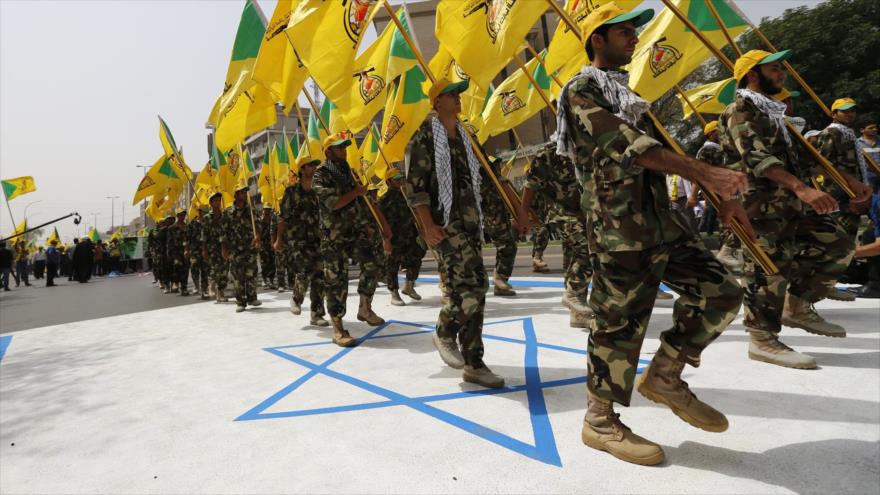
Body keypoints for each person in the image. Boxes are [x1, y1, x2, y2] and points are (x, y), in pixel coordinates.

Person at [558, 4, 750, 465]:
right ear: (597, 40)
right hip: (620, 231)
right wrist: (709, 172)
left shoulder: (628, 96)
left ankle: (665, 375)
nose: (633, 38)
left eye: (633, 32)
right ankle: (599, 422)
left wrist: (721, 196)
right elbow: (631, 148)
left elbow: (662, 151)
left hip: (661, 223)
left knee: (721, 292)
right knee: (618, 326)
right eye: (623, 32)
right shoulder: (582, 89)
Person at [718, 49, 870, 367]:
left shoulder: (774, 113)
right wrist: (802, 189)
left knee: (839, 242)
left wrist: (850, 182)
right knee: (766, 269)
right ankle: (762, 339)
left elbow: (808, 157)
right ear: (753, 75)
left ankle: (797, 305)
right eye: (775, 69)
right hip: (759, 207)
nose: (782, 74)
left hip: (790, 205)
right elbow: (756, 158)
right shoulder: (741, 109)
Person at [405, 78, 513, 389]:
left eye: (458, 94)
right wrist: (427, 227)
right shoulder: (424, 137)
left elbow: (486, 173)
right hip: (444, 225)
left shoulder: (466, 136)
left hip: (469, 223)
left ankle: (474, 363)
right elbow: (415, 189)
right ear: (437, 102)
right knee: (474, 286)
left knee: (468, 292)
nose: (458, 99)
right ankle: (443, 330)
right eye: (451, 94)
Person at [312, 132, 387, 346]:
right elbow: (333, 203)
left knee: (373, 261)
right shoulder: (321, 175)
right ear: (328, 151)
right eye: (339, 147)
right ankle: (337, 326)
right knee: (336, 280)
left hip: (355, 232)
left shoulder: (349, 173)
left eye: (345, 147)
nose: (344, 151)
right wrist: (356, 192)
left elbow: (360, 202)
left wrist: (367, 226)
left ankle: (365, 307)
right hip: (334, 236)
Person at [522, 142, 593, 328]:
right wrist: (522, 214)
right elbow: (530, 186)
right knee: (589, 248)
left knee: (573, 259)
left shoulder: (589, 147)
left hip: (585, 212)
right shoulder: (548, 153)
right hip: (559, 212)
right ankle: (573, 293)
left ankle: (577, 314)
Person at [275, 156, 329, 327]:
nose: (313, 169)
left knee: (319, 276)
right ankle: (296, 299)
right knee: (304, 271)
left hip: (316, 238)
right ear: (302, 170)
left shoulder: (317, 191)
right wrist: (278, 239)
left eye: (314, 166)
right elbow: (282, 218)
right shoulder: (292, 192)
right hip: (297, 240)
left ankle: (316, 314)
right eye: (309, 166)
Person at [480, 156, 528, 297]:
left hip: (502, 219)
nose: (499, 166)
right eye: (496, 164)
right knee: (507, 247)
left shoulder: (500, 180)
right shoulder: (486, 182)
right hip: (491, 221)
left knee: (508, 247)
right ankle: (499, 279)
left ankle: (500, 281)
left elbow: (514, 199)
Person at [377, 170, 426, 306]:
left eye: (401, 179)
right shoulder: (384, 200)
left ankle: (409, 286)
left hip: (409, 235)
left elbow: (414, 214)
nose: (399, 181)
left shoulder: (406, 196)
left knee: (417, 256)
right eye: (396, 179)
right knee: (392, 265)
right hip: (394, 238)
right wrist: (385, 240)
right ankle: (394, 293)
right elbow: (379, 223)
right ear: (388, 182)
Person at [222, 183, 262, 312]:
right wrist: (224, 248)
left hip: (250, 248)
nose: (244, 195)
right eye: (241, 193)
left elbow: (258, 225)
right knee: (238, 276)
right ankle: (240, 301)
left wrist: (258, 237)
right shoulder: (228, 213)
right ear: (236, 195)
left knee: (251, 273)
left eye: (245, 192)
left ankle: (252, 297)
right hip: (235, 249)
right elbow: (224, 232)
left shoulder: (251, 210)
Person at [202, 191, 230, 303]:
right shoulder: (207, 218)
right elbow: (204, 235)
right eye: (215, 201)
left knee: (224, 270)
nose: (218, 203)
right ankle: (212, 286)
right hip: (212, 248)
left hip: (225, 247)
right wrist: (204, 250)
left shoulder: (225, 216)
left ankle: (221, 292)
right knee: (214, 269)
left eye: (219, 201)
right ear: (211, 203)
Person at [187, 207, 210, 299]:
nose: (203, 214)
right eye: (202, 212)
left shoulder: (207, 222)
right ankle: (196, 286)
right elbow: (187, 238)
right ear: (199, 213)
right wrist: (186, 249)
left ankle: (204, 289)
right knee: (194, 268)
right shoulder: (192, 224)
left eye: (205, 212)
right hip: (194, 250)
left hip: (205, 250)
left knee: (205, 270)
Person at [167, 209, 190, 296]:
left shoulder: (188, 227)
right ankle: (175, 283)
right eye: (180, 215)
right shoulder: (172, 228)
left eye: (183, 215)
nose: (182, 217)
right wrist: (169, 254)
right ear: (177, 216)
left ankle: (184, 287)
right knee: (177, 267)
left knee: (185, 269)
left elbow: (189, 239)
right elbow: (169, 242)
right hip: (176, 252)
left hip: (186, 250)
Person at [258, 207, 277, 290]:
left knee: (272, 262)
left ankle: (271, 280)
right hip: (263, 245)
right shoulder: (260, 221)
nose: (267, 211)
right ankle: (264, 280)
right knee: (264, 262)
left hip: (271, 244)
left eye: (269, 209)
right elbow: (258, 233)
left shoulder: (272, 220)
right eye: (265, 209)